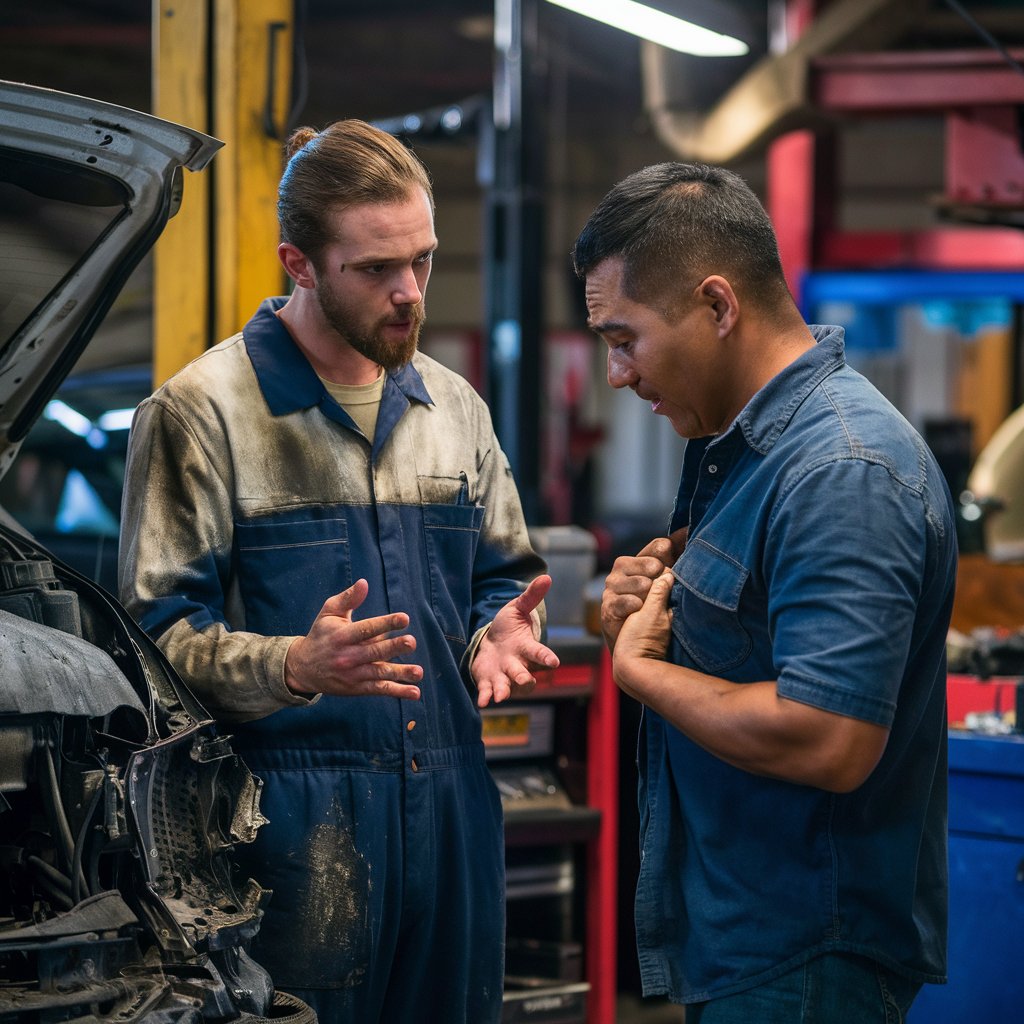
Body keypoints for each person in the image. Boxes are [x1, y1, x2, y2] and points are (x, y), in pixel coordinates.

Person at [118, 119, 559, 1024]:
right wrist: (292, 667)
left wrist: (502, 629)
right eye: (376, 270)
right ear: (301, 263)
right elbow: (154, 645)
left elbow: (502, 578)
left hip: (449, 815)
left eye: (424, 261)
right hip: (287, 832)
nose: (410, 293)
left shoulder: (455, 410)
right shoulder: (203, 415)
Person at [572, 162, 956, 1022]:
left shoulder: (840, 472)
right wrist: (652, 611)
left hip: (806, 958)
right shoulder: (748, 451)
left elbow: (829, 739)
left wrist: (644, 676)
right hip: (748, 944)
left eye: (624, 337)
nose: (617, 375)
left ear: (716, 306)